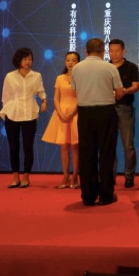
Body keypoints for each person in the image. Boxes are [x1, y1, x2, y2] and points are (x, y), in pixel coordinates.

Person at [71, 38, 125, 206]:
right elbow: (119, 93)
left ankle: (88, 195)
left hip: (85, 113)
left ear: (86, 51)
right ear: (103, 52)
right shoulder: (110, 67)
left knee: (87, 154)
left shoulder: (77, 68)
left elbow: (74, 91)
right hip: (106, 112)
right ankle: (106, 194)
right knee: (106, 153)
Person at [0, 47, 47, 189]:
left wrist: (44, 101)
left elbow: (40, 91)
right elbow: (5, 96)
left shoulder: (36, 75)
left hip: (29, 113)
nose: (28, 62)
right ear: (18, 60)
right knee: (13, 147)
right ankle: (15, 178)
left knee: (28, 147)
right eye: (25, 59)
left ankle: (26, 177)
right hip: (12, 113)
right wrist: (7, 111)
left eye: (30, 59)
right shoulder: (10, 76)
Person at [42, 51, 81, 189]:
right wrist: (59, 112)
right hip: (61, 114)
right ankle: (65, 177)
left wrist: (73, 111)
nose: (71, 62)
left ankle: (75, 176)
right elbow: (56, 97)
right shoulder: (59, 78)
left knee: (75, 147)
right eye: (68, 60)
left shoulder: (81, 78)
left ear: (78, 62)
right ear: (65, 62)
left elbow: (81, 97)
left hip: (76, 113)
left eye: (74, 60)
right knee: (64, 146)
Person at [109, 39, 139, 188]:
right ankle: (110, 177)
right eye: (111, 51)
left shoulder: (131, 67)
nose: (113, 54)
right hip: (108, 108)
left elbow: (135, 86)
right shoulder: (106, 67)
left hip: (125, 108)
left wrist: (124, 91)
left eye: (117, 51)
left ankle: (129, 177)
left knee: (128, 145)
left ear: (123, 51)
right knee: (109, 145)